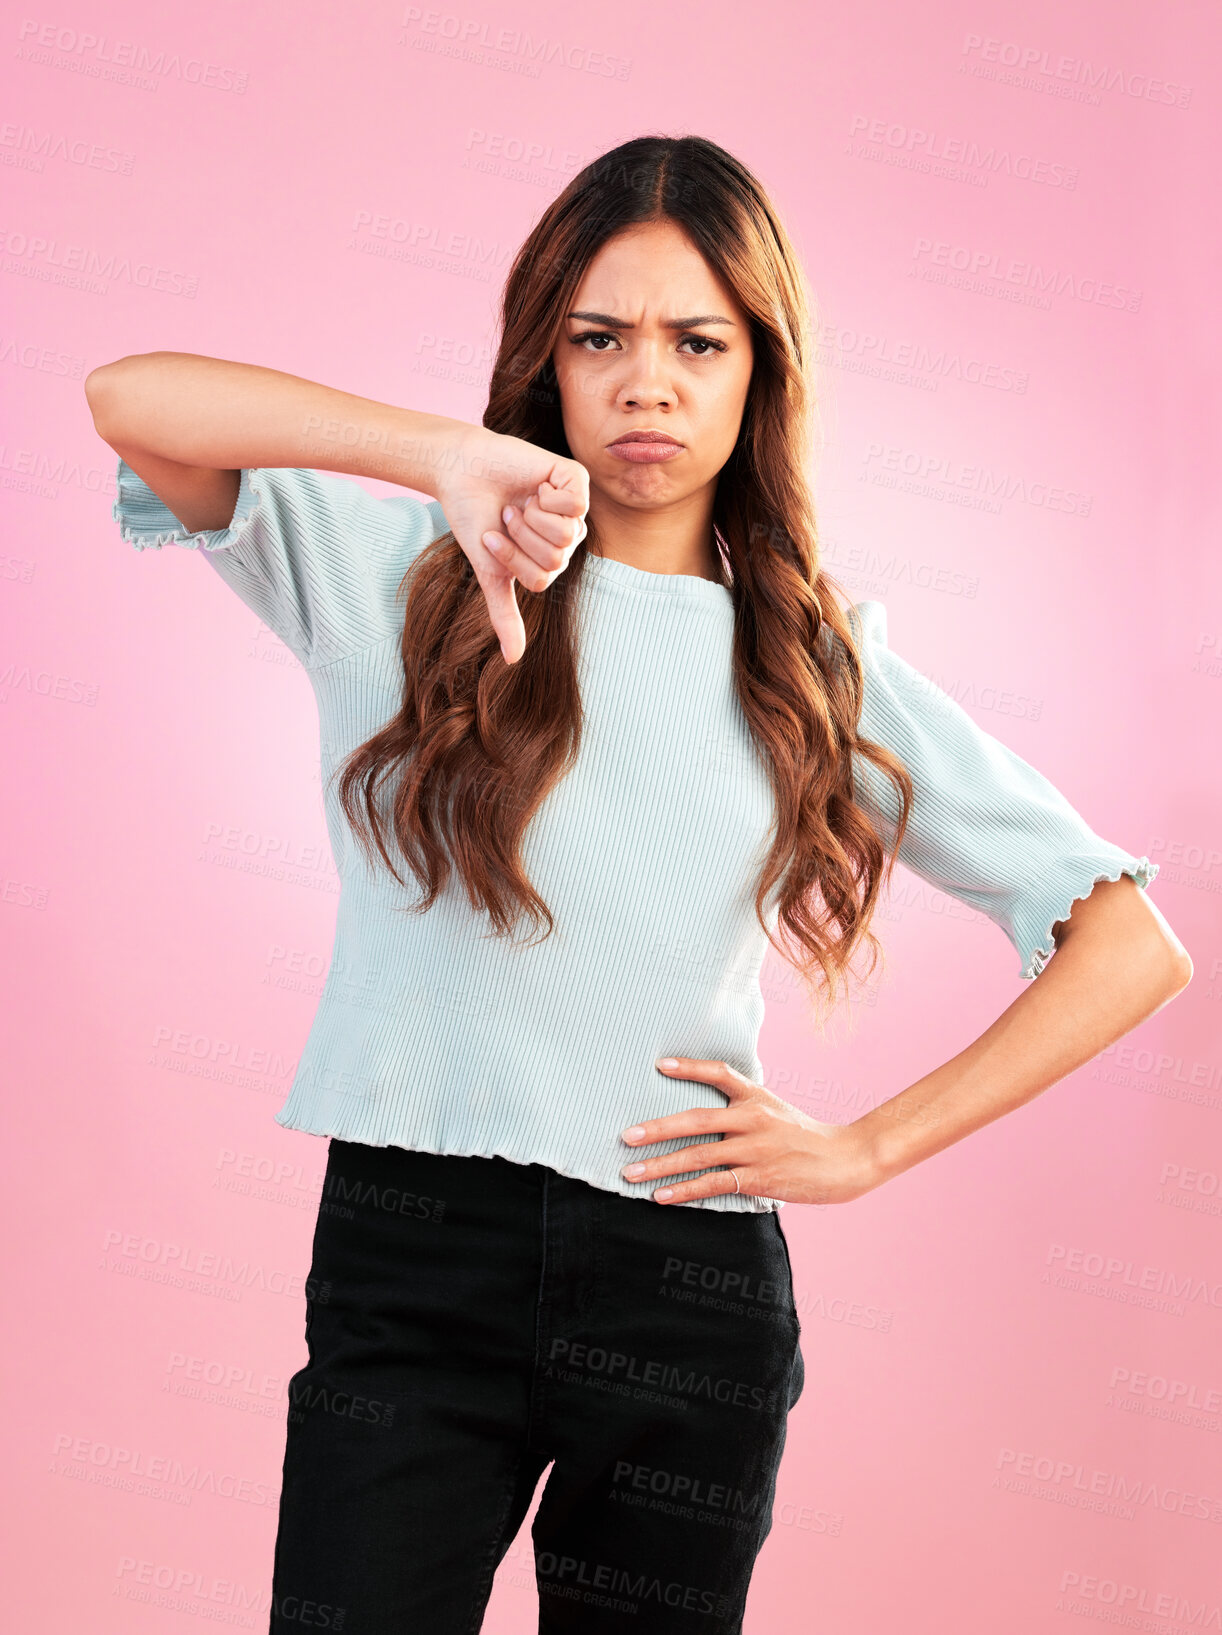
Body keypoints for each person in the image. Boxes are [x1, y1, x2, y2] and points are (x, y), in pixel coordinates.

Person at [86, 134, 1191, 1634]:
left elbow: (1125, 942)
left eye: (696, 341)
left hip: (686, 1277)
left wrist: (864, 1151)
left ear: (759, 370)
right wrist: (441, 457)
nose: (645, 384)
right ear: (546, 355)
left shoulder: (811, 658)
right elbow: (131, 400)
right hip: (412, 1255)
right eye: (599, 338)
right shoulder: (390, 569)